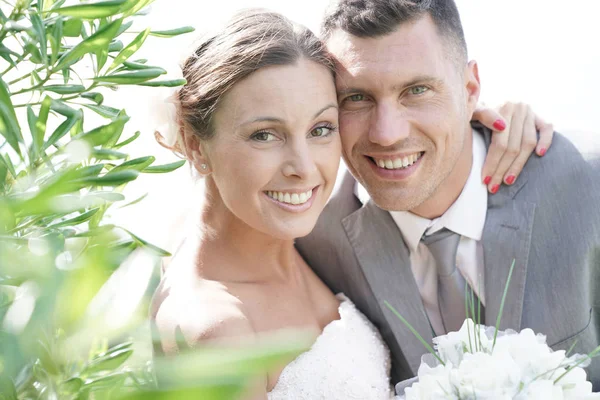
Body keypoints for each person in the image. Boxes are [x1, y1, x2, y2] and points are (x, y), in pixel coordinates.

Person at [151, 8, 559, 399]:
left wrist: (467, 116)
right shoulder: (217, 329)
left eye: (321, 128)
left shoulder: (312, 239)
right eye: (264, 135)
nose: (304, 168)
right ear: (192, 144)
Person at [296, 0, 600, 393]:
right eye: (356, 97)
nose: (386, 133)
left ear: (470, 88)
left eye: (417, 90)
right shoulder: (313, 235)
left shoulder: (588, 186)